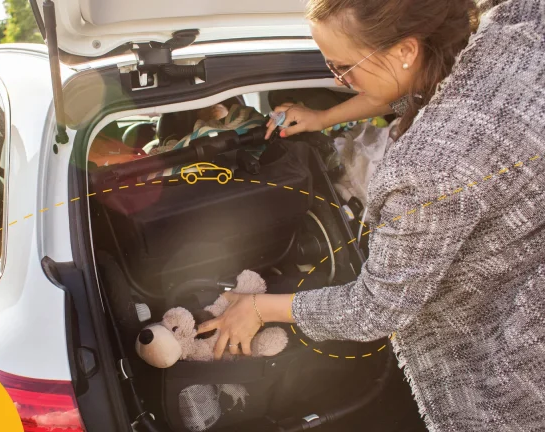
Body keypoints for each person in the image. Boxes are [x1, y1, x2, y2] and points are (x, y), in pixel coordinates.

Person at [197, 0, 545, 430]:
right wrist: (324, 117)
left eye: (343, 68)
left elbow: (377, 309)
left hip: (508, 352)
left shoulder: (426, 167)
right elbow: (416, 90)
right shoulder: (517, 29)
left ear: (405, 50)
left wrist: (257, 308)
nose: (336, 79)